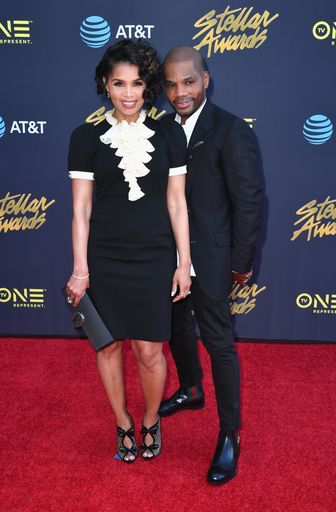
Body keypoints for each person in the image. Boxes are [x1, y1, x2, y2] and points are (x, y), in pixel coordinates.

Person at [66, 39, 191, 464]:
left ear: (147, 87)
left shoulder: (169, 133)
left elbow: (177, 202)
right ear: (105, 83)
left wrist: (184, 263)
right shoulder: (85, 137)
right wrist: (81, 270)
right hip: (105, 257)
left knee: (150, 349)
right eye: (119, 83)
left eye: (137, 84)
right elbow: (81, 209)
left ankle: (151, 418)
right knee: (107, 347)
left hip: (155, 256)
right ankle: (122, 421)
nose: (128, 93)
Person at [159, 46, 263, 484]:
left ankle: (229, 434)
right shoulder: (160, 129)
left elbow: (250, 200)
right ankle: (190, 388)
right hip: (168, 258)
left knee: (219, 344)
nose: (180, 92)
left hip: (213, 259)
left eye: (188, 81)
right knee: (177, 326)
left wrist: (239, 263)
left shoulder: (232, 130)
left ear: (206, 79)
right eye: (170, 84)